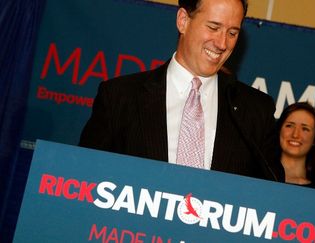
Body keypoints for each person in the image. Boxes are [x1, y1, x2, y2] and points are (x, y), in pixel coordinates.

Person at [79, 0, 279, 181]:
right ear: (183, 20)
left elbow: (271, 195)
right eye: (213, 27)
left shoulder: (256, 110)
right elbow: (86, 177)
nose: (222, 43)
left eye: (232, 33)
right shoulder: (120, 97)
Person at [276, 102, 315, 188]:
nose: (295, 135)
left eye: (305, 129)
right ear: (279, 130)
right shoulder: (257, 176)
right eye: (289, 126)